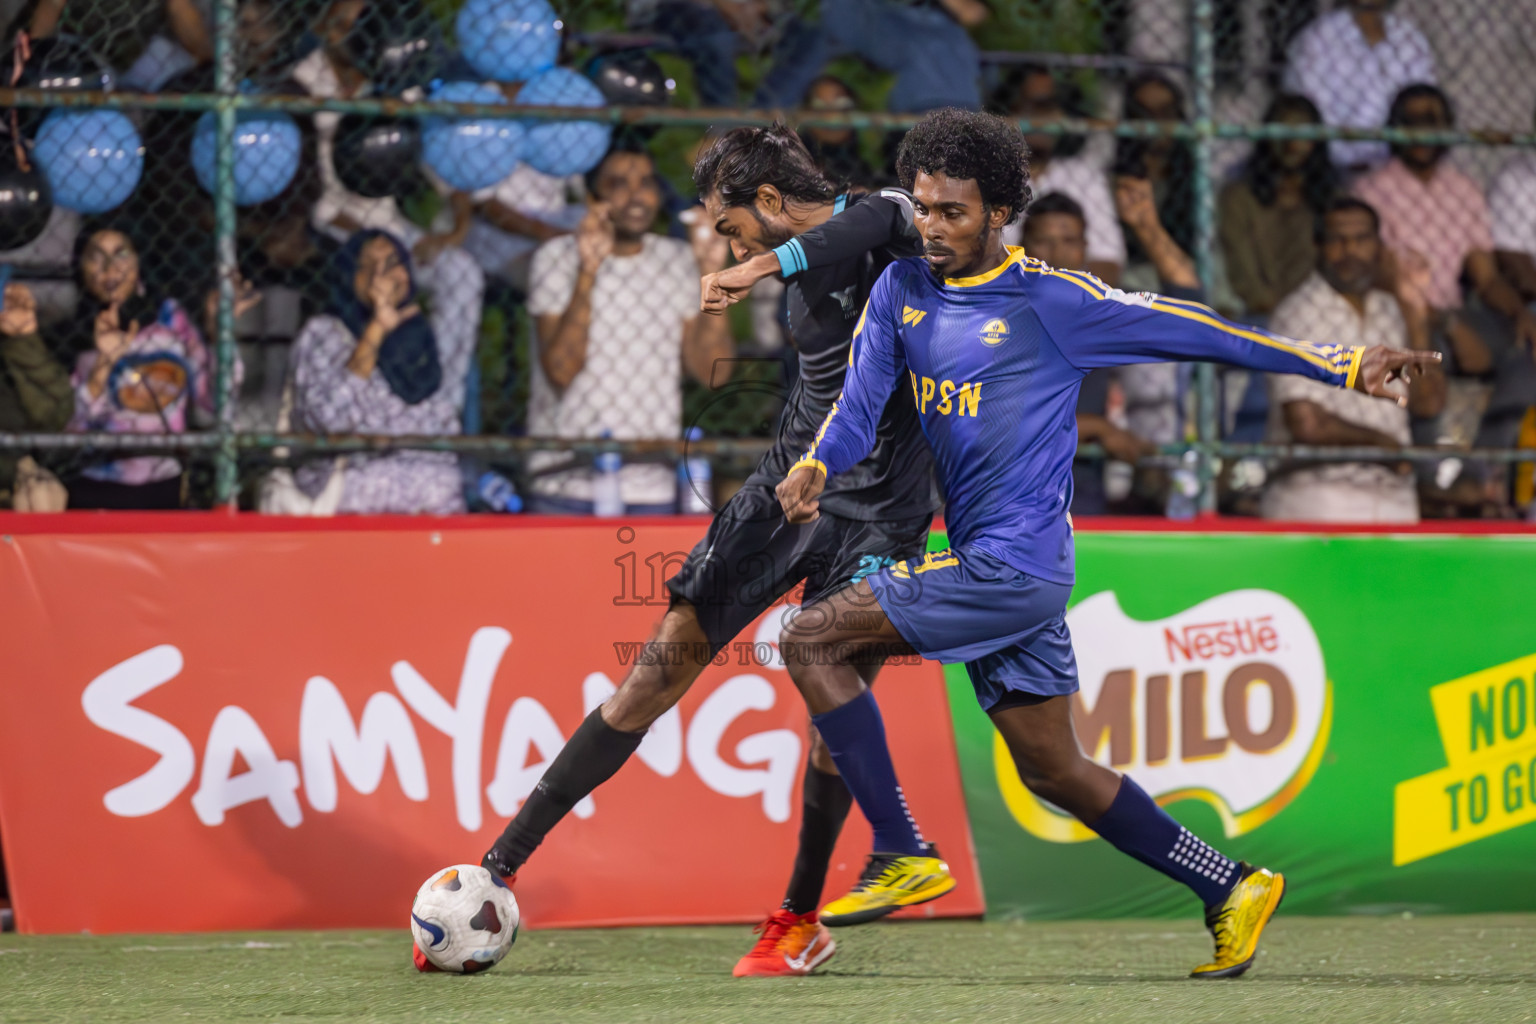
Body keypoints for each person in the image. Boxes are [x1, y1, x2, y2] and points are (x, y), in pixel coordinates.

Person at [774, 108, 1438, 976]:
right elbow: (859, 404)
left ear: (999, 211)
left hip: (1011, 566)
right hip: (996, 564)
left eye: (955, 212)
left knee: (810, 637)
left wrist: (1342, 364)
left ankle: (900, 847)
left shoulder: (1056, 301)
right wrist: (818, 465)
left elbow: (1202, 332)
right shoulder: (901, 290)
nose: (934, 228)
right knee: (1054, 767)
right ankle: (1229, 885)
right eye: (925, 208)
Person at [466, 124, 942, 979]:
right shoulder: (794, 276)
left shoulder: (887, 220)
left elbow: (862, 223)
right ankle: (495, 870)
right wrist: (760, 269)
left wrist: (756, 264)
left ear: (766, 203)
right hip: (784, 492)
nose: (730, 243)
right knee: (652, 672)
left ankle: (798, 919)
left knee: (832, 717)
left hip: (881, 512)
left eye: (731, 226)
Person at [523, 141, 734, 513]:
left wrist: (711, 274)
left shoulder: (677, 260)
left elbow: (712, 373)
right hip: (563, 481)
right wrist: (587, 271)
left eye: (646, 182)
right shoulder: (555, 259)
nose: (636, 196)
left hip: (652, 485)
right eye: (619, 184)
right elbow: (560, 371)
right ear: (592, 199)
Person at [1262, 197, 1444, 523]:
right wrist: (1381, 445)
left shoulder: (1390, 309)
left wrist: (1415, 316)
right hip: (1319, 495)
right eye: (1337, 240)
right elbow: (1307, 423)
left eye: (1362, 240)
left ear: (1379, 246)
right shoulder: (1298, 313)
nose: (1350, 251)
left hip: (1394, 496)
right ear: (1318, 246)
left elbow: (1428, 404)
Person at [287, 230, 474, 515]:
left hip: (430, 511)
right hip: (352, 512)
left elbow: (445, 432)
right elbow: (328, 420)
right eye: (368, 266)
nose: (381, 275)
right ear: (349, 276)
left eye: (391, 262)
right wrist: (377, 327)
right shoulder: (323, 333)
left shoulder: (421, 337)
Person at [61, 226, 242, 510]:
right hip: (97, 487)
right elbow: (72, 432)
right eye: (96, 257)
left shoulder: (171, 320)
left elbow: (214, 401)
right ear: (80, 269)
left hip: (164, 484)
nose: (111, 268)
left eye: (121, 254)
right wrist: (104, 362)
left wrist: (219, 334)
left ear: (139, 261)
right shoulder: (70, 336)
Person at [1352, 85, 1536, 359]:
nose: (1421, 132)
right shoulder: (1370, 190)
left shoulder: (1463, 189)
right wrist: (1437, 320)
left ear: (1448, 127)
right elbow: (1374, 277)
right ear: (1394, 128)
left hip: (1454, 312)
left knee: (1522, 343)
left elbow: (1486, 279)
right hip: (1397, 312)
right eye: (1411, 122)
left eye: (1431, 121)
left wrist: (1519, 313)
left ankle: (1509, 404)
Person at [1021, 192, 1155, 517]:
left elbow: (1189, 295)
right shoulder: (1004, 314)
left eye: (1069, 241)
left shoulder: (1101, 312)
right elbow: (1009, 419)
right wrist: (1099, 428)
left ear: (1084, 248)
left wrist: (1148, 228)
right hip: (1015, 488)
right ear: (1023, 247)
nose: (1057, 254)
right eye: (1044, 242)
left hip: (1082, 484)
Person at [1000, 65, 1124, 286]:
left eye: (1049, 107)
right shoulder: (985, 177)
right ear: (1009, 112)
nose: (1041, 119)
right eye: (1030, 107)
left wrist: (1064, 296)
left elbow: (1108, 261)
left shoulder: (1084, 174)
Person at [1219, 94, 1338, 320]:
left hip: (1318, 311)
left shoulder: (1331, 198)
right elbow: (1242, 269)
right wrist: (1267, 304)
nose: (1291, 144)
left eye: (1301, 135)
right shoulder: (1239, 197)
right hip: (1257, 312)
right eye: (1283, 133)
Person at [1282, 0, 1437, 170]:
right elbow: (1307, 114)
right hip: (1330, 169)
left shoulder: (1410, 40)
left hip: (1397, 170)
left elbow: (1425, 109)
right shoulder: (1317, 39)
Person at [1113, 72, 1196, 280]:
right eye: (1145, 112)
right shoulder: (1109, 184)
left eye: (1165, 111)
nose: (1157, 121)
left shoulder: (1195, 184)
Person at [0, 282, 72, 510]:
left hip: (9, 479)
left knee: (42, 494)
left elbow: (55, 414)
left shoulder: (9, 347)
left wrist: (22, 339)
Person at [798, 75, 876, 191]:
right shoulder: (792, 166)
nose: (830, 116)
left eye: (841, 105)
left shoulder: (866, 172)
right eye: (819, 107)